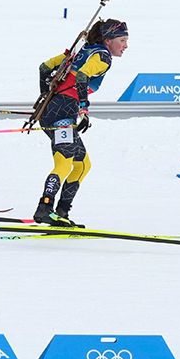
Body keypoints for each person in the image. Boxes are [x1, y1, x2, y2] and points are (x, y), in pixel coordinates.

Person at [31, 17, 129, 227]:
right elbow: (82, 76)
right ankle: (45, 208)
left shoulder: (81, 51)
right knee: (64, 163)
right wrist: (84, 109)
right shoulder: (102, 57)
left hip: (54, 111)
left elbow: (44, 67)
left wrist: (46, 96)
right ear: (109, 39)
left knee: (82, 165)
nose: (125, 45)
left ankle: (61, 213)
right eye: (122, 40)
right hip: (63, 113)